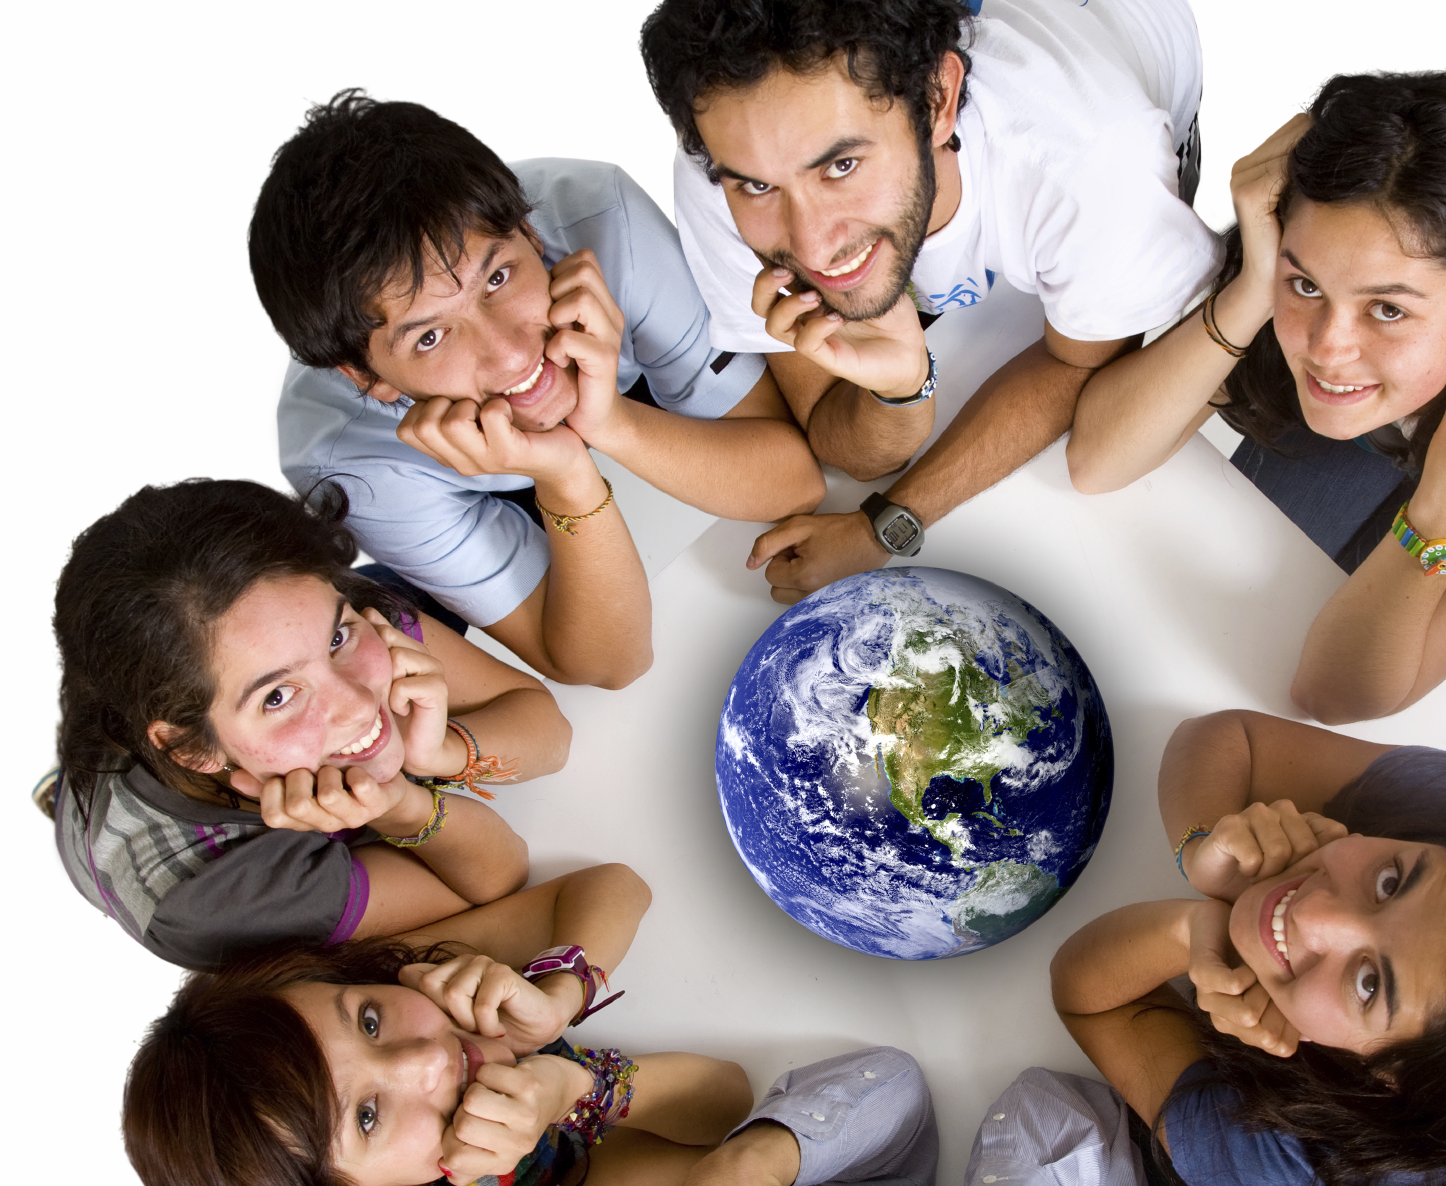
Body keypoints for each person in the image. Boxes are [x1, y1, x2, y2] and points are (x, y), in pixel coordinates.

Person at [640, 0, 1220, 603]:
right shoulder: (730, 156)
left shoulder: (1097, 164)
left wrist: (886, 526)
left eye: (842, 165)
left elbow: (1074, 368)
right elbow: (834, 430)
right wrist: (901, 389)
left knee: (1100, 304)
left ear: (939, 100)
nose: (813, 246)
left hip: (1116, 6)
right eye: (758, 187)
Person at [252, 91, 825, 686]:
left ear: (529, 230)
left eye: (497, 277)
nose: (509, 351)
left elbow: (796, 481)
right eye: (430, 338)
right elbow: (609, 662)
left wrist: (611, 424)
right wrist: (567, 472)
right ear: (364, 376)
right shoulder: (351, 463)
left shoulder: (599, 217)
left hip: (618, 377)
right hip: (479, 476)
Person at [46, 477, 595, 970]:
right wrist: (399, 800)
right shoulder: (223, 903)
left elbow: (549, 729)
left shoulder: (294, 611)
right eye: (278, 696)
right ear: (193, 750)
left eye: (337, 638)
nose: (356, 704)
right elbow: (492, 881)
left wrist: (440, 753)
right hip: (187, 852)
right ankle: (63, 796)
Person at [1067, 73, 1446, 723]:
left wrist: (1433, 517)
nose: (1327, 347)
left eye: (1386, 307)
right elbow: (1099, 463)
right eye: (1307, 283)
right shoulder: (1294, 307)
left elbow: (1332, 695)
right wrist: (1255, 287)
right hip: (1390, 419)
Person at [123, 935, 939, 1186]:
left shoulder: (499, 1058)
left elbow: (725, 1099)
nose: (421, 1063)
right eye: (368, 1116)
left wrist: (571, 1085)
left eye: (370, 1018)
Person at [1051, 707, 1446, 1185]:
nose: (1314, 914)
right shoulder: (1434, 812)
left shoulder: (1286, 1165)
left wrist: (1194, 929)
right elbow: (1228, 736)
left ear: (1392, 1077)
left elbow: (1087, 1002)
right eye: (1390, 881)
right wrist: (1202, 848)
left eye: (1369, 983)